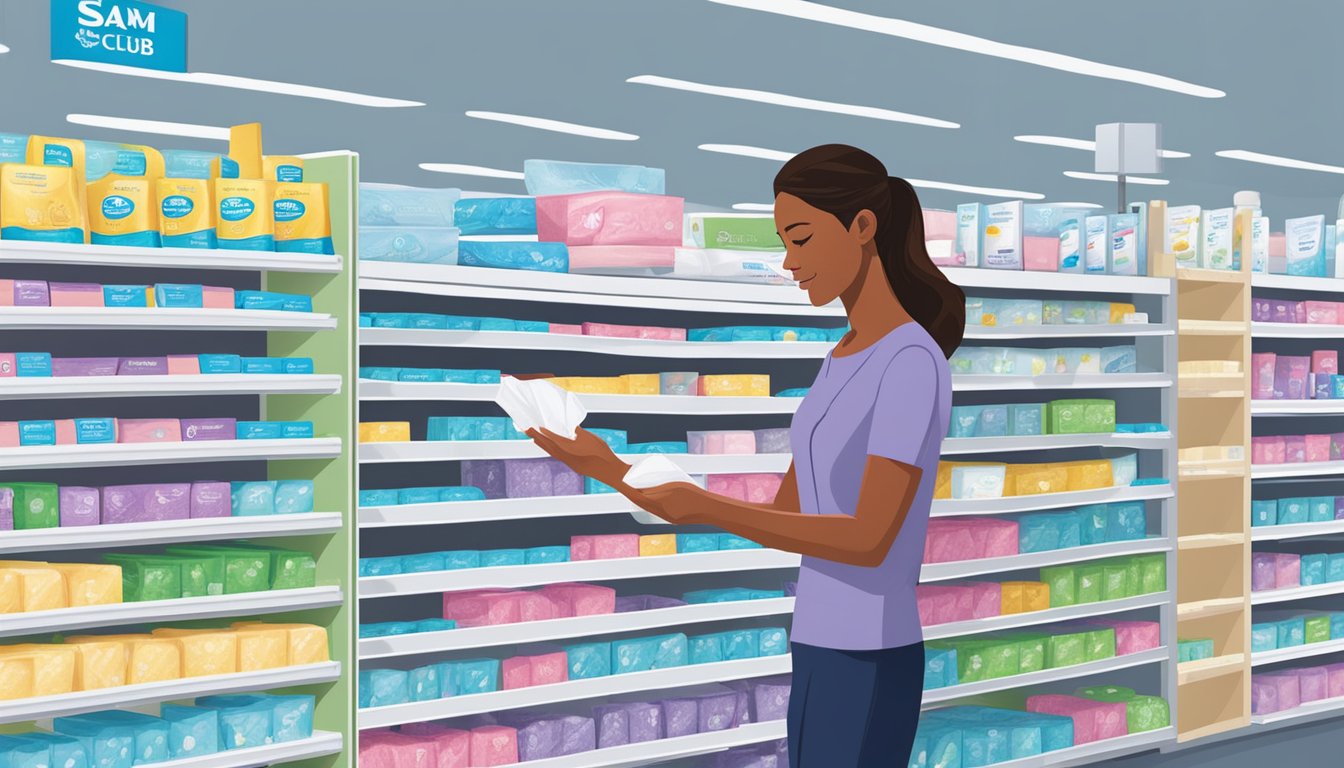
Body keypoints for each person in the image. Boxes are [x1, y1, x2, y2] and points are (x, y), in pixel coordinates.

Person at [528, 144, 965, 766]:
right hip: (816, 637)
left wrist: (701, 506)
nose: (789, 263)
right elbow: (791, 514)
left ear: (863, 227)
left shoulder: (910, 360)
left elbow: (869, 539)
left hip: (872, 649)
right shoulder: (841, 356)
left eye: (802, 238)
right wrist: (610, 469)